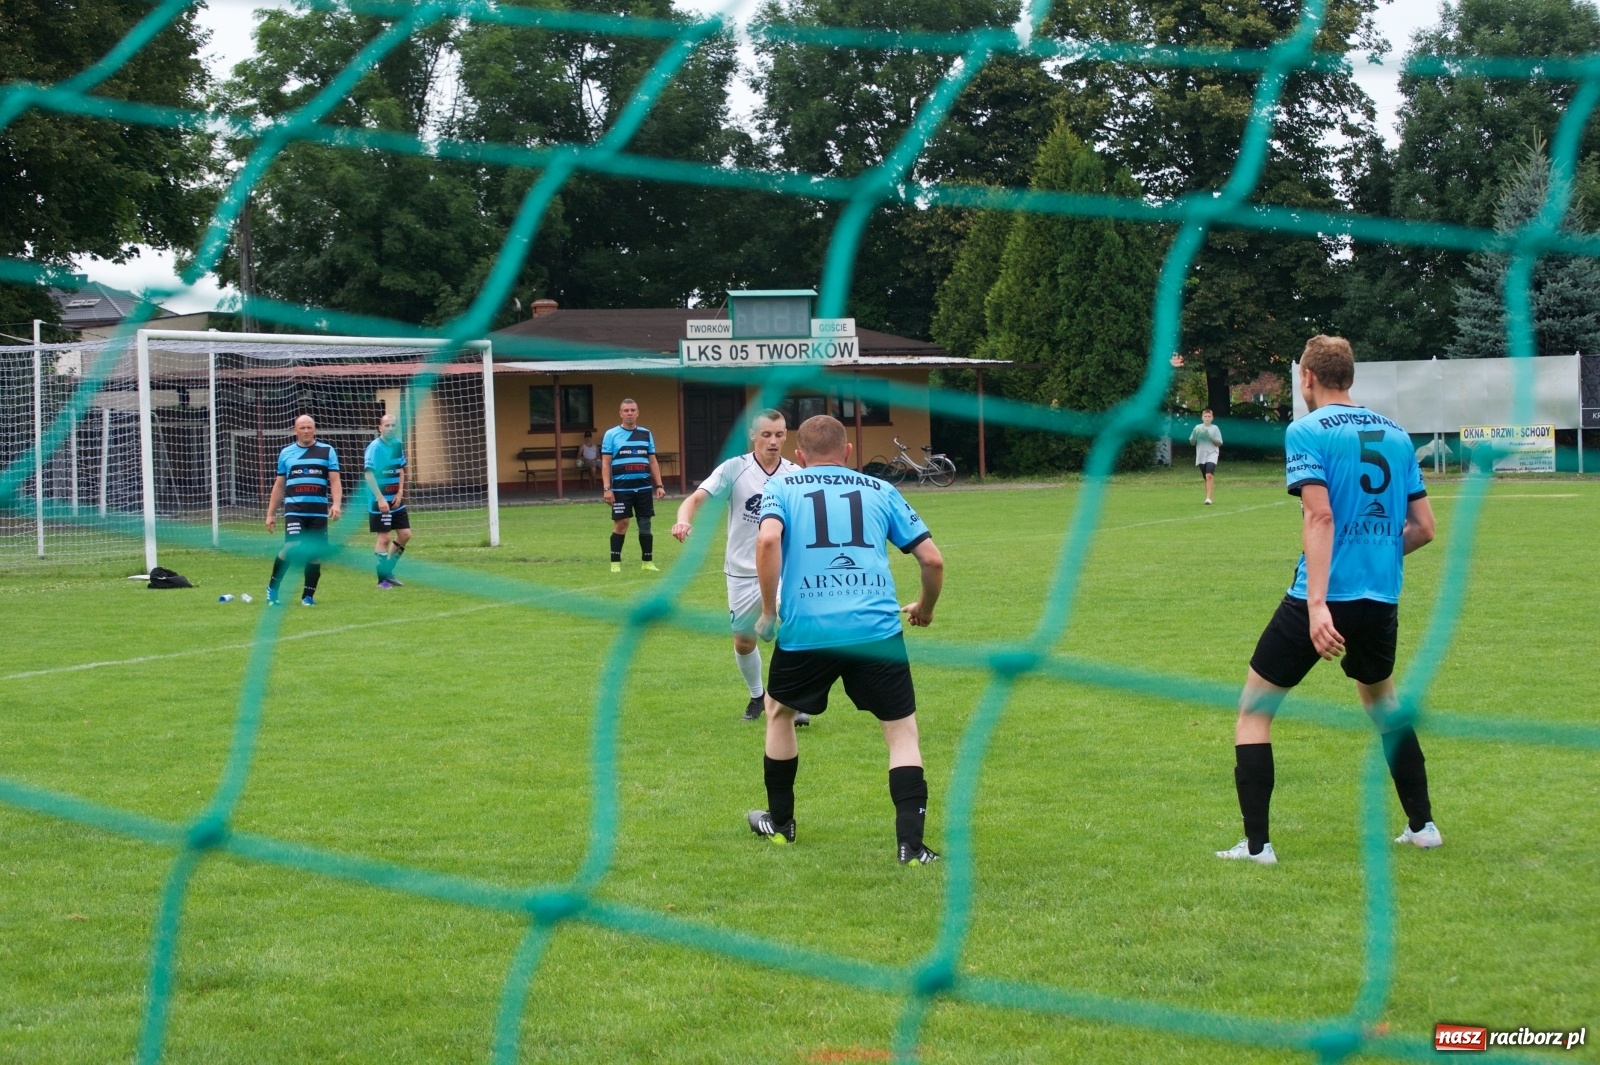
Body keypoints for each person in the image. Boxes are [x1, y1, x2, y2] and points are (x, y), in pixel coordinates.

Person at [1218, 335, 1439, 865]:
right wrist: (1376, 552)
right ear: (1351, 376)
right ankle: (1423, 826)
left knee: (1254, 711)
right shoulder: (1397, 435)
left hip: (1318, 600)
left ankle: (1257, 847)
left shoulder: (1307, 429)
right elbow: (1424, 528)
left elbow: (1320, 516)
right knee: (1383, 705)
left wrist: (1318, 605)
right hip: (1379, 599)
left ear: (1308, 377)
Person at [749, 415, 946, 865]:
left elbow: (767, 542)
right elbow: (932, 560)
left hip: (808, 630)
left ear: (799, 456)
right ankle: (912, 847)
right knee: (901, 733)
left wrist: (768, 613)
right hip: (875, 631)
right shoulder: (881, 489)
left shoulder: (781, 487)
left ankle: (781, 825)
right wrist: (926, 607)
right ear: (849, 451)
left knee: (779, 713)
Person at [671, 408, 809, 727]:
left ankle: (795, 701)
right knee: (744, 642)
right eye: (766, 434)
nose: (773, 441)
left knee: (795, 630)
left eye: (779, 434)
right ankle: (758, 695)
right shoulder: (734, 468)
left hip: (786, 569)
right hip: (742, 572)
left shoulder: (795, 474)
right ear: (752, 435)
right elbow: (696, 499)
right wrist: (683, 520)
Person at [264, 414, 342, 606]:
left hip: (318, 511)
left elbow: (334, 480)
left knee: (314, 553)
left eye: (309, 427)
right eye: (302, 427)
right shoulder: (286, 453)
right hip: (295, 510)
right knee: (292, 546)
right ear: (295, 430)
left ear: (315, 429)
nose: (306, 431)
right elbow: (279, 485)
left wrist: (336, 504)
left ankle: (308, 596)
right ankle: (273, 588)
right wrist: (270, 513)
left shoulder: (327, 451)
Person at [601, 398, 666, 573]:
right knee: (621, 523)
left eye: (632, 410)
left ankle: (647, 562)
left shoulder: (646, 434)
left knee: (645, 524)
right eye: (626, 410)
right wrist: (607, 488)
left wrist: (659, 485)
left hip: (643, 488)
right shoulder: (611, 434)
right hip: (621, 489)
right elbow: (605, 463)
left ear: (637, 413)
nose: (629, 413)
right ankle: (615, 563)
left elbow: (652, 461)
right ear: (620, 413)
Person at [364, 412, 409, 589]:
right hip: (379, 500)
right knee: (384, 537)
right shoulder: (374, 447)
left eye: (393, 425)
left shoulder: (397, 444)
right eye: (387, 425)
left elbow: (401, 470)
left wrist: (400, 492)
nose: (390, 428)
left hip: (395, 499)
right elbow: (368, 474)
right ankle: (382, 580)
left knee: (405, 534)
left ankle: (388, 570)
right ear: (380, 428)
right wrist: (380, 498)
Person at [1190, 409, 1222, 505]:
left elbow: (1219, 443)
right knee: (1206, 477)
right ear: (1202, 418)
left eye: (1209, 416)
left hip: (1212, 453)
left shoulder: (1215, 428)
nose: (1207, 418)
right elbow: (1192, 442)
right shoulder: (1197, 428)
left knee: (1209, 475)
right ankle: (1209, 496)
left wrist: (1210, 437)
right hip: (1201, 454)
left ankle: (1208, 498)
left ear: (1212, 418)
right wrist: (1194, 437)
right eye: (1205, 416)